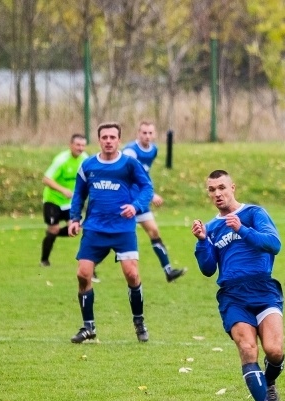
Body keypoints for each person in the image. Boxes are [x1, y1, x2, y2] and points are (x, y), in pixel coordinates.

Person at [191, 170, 285, 401]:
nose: (217, 193)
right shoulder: (211, 227)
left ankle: (269, 382)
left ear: (233, 187)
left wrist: (242, 229)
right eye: (212, 190)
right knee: (247, 347)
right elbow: (208, 269)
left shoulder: (254, 214)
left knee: (274, 351)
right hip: (233, 295)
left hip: (264, 290)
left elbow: (274, 244)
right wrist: (202, 241)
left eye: (221, 187)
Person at [68, 122, 154, 343]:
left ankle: (139, 321)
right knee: (83, 273)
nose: (108, 141)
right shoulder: (88, 165)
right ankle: (89, 327)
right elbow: (78, 194)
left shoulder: (129, 164)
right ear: (99, 140)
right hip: (95, 228)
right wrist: (74, 218)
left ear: (118, 140)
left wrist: (135, 206)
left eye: (112, 137)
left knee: (132, 275)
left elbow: (147, 188)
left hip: (123, 229)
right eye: (104, 137)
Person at [122, 121, 187, 282]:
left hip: (140, 201)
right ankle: (90, 267)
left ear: (155, 134)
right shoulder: (131, 152)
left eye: (150, 133)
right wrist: (151, 195)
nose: (147, 136)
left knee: (154, 232)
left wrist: (148, 192)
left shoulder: (153, 150)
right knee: (114, 237)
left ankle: (168, 271)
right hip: (126, 201)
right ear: (138, 133)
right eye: (144, 133)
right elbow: (130, 176)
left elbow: (144, 174)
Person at [40, 134, 88, 267]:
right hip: (53, 200)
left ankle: (52, 233)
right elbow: (46, 179)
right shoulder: (61, 160)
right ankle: (44, 260)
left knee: (74, 229)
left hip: (69, 203)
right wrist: (63, 190)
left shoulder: (85, 159)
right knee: (54, 229)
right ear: (70, 145)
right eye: (78, 145)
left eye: (83, 145)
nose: (80, 148)